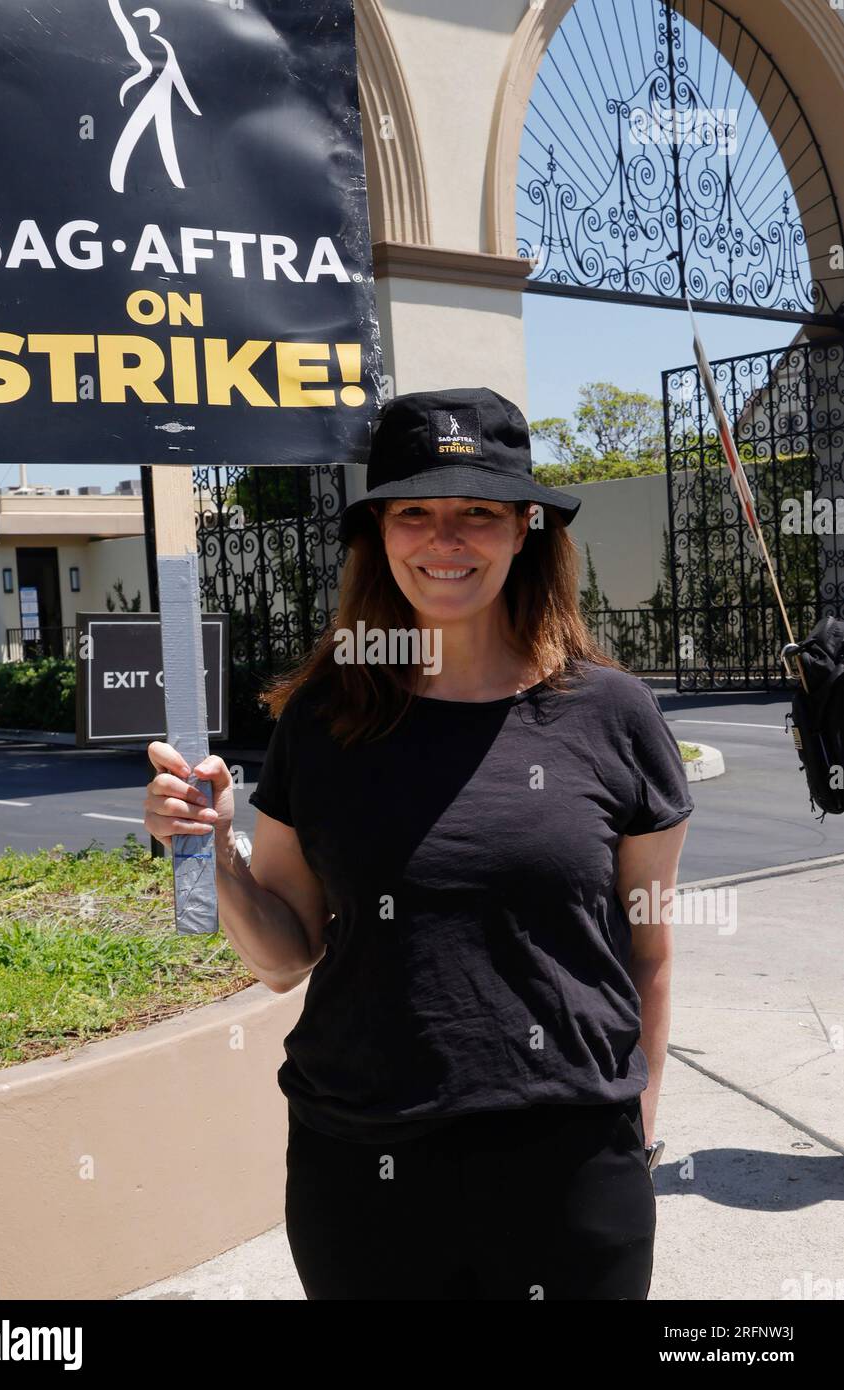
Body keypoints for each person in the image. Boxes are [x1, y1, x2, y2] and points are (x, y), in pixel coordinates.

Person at [143, 386, 694, 1301]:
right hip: (364, 1161)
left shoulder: (614, 715)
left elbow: (649, 949)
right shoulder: (324, 721)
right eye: (414, 513)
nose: (446, 539)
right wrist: (213, 853)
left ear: (525, 530)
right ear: (380, 536)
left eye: (478, 511)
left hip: (570, 1160)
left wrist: (637, 1127)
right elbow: (285, 958)